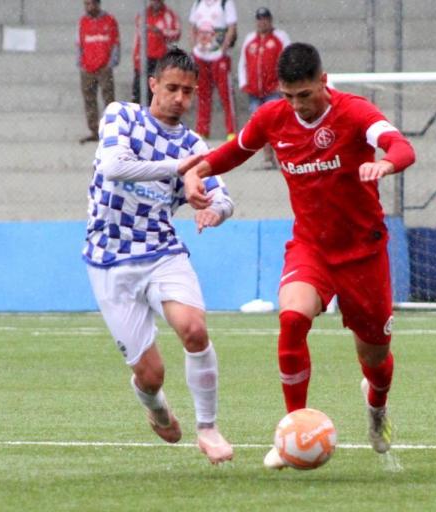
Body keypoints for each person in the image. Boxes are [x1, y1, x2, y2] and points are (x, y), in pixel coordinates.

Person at [181, 43, 416, 469]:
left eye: (304, 95)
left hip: (363, 253)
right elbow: (237, 151)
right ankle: (292, 431)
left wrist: (386, 165)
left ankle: (377, 407)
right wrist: (199, 170)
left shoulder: (356, 112)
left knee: (376, 359)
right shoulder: (274, 117)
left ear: (323, 83)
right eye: (288, 96)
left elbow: (401, 146)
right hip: (312, 247)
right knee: (291, 319)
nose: (297, 106)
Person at [83, 47, 235, 464]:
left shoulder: (193, 144)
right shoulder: (122, 115)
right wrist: (178, 167)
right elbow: (114, 166)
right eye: (171, 88)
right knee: (151, 376)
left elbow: (225, 199)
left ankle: (208, 428)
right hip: (109, 257)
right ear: (153, 85)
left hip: (160, 250)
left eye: (188, 92)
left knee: (194, 329)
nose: (179, 99)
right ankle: (156, 407)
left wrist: (210, 209)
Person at [238, 7, 290, 169]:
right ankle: (268, 157)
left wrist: (285, 83)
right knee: (260, 125)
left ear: (270, 20)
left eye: (265, 18)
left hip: (273, 89)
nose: (262, 22)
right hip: (254, 91)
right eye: (259, 19)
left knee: (275, 124)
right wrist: (243, 82)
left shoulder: (280, 38)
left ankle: (283, 156)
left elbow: (288, 60)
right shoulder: (250, 40)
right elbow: (243, 63)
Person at [189, 0, 238, 140]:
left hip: (218, 55)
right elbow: (192, 26)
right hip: (201, 55)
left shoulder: (225, 3)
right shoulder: (198, 3)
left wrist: (223, 48)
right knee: (202, 94)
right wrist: (194, 48)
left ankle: (231, 131)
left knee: (226, 95)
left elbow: (231, 27)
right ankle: (202, 130)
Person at [77, 0, 120, 144]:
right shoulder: (83, 21)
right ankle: (94, 130)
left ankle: (111, 130)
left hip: (104, 67)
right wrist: (81, 63)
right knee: (89, 99)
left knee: (108, 98)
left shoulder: (109, 20)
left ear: (98, 4)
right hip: (87, 67)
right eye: (86, 4)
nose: (89, 7)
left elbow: (115, 43)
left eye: (91, 4)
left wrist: (111, 63)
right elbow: (79, 43)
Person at [132, 0, 181, 105]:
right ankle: (139, 119)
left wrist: (160, 31)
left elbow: (176, 33)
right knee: (138, 94)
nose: (155, 3)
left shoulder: (169, 15)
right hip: (144, 58)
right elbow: (137, 38)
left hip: (160, 60)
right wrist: (136, 57)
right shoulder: (142, 15)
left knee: (157, 95)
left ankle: (155, 120)